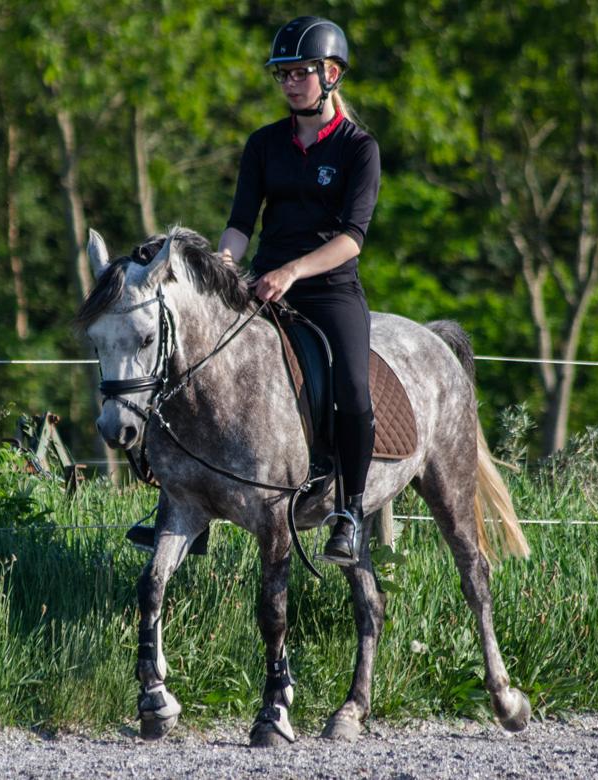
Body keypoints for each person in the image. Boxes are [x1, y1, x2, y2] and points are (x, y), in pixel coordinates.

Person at [217, 16, 380, 566]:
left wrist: (293, 271)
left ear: (331, 74)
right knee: (198, 362)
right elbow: (241, 223)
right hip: (263, 284)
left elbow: (352, 241)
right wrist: (222, 264)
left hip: (331, 291)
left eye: (300, 72)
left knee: (354, 390)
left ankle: (350, 512)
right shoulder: (264, 145)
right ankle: (181, 498)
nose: (289, 82)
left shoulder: (359, 149)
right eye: (281, 74)